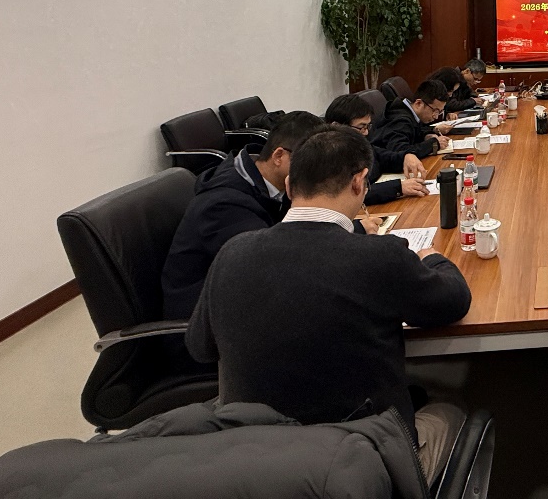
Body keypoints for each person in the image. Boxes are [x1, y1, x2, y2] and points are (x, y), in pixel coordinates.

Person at [187, 126, 471, 484]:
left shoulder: (232, 252)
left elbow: (200, 348)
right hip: (354, 468)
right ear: (359, 183)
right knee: (452, 409)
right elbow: (454, 300)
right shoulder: (379, 257)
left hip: (255, 467)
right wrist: (434, 259)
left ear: (289, 186)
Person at [162, 111, 329, 319]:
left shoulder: (270, 183)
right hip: (202, 318)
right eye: (312, 164)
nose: (318, 174)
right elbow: (271, 263)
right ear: (279, 156)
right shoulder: (224, 205)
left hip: (244, 294)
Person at [324, 94, 429, 203]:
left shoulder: (357, 145)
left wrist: (406, 156)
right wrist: (398, 187)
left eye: (367, 126)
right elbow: (350, 194)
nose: (366, 132)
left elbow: (383, 157)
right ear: (337, 126)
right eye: (361, 127)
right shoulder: (328, 158)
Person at [370, 79, 451, 160]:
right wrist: (433, 144)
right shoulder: (401, 121)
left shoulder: (407, 109)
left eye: (439, 112)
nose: (436, 117)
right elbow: (401, 152)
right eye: (435, 111)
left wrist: (426, 136)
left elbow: (413, 132)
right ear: (418, 103)